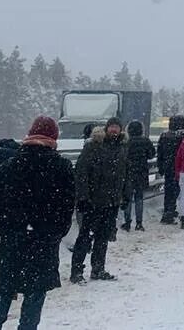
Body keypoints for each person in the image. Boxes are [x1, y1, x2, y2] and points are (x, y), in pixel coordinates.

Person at [0, 117, 75, 330]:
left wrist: (9, 231)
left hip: (13, 241)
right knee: (33, 305)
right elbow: (66, 207)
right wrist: (52, 234)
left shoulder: (10, 164)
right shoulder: (62, 167)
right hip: (43, 244)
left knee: (1, 299)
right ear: (54, 138)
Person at [70, 117, 128, 283]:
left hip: (112, 200)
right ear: (106, 128)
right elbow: (81, 173)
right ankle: (76, 271)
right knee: (85, 236)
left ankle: (98, 268)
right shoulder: (93, 146)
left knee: (103, 236)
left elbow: (124, 173)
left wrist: (124, 195)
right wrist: (82, 197)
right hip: (93, 200)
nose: (114, 130)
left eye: (117, 127)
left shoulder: (122, 148)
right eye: (112, 127)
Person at [121, 120, 155, 232]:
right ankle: (139, 223)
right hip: (141, 172)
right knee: (139, 198)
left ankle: (127, 222)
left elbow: (122, 157)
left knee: (128, 198)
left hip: (128, 173)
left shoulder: (126, 142)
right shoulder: (146, 141)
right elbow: (151, 155)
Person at [156, 115, 184, 224]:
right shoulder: (181, 137)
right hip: (178, 167)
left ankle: (167, 210)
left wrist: (160, 166)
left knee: (168, 190)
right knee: (176, 189)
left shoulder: (164, 136)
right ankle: (170, 211)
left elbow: (159, 152)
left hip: (167, 166)